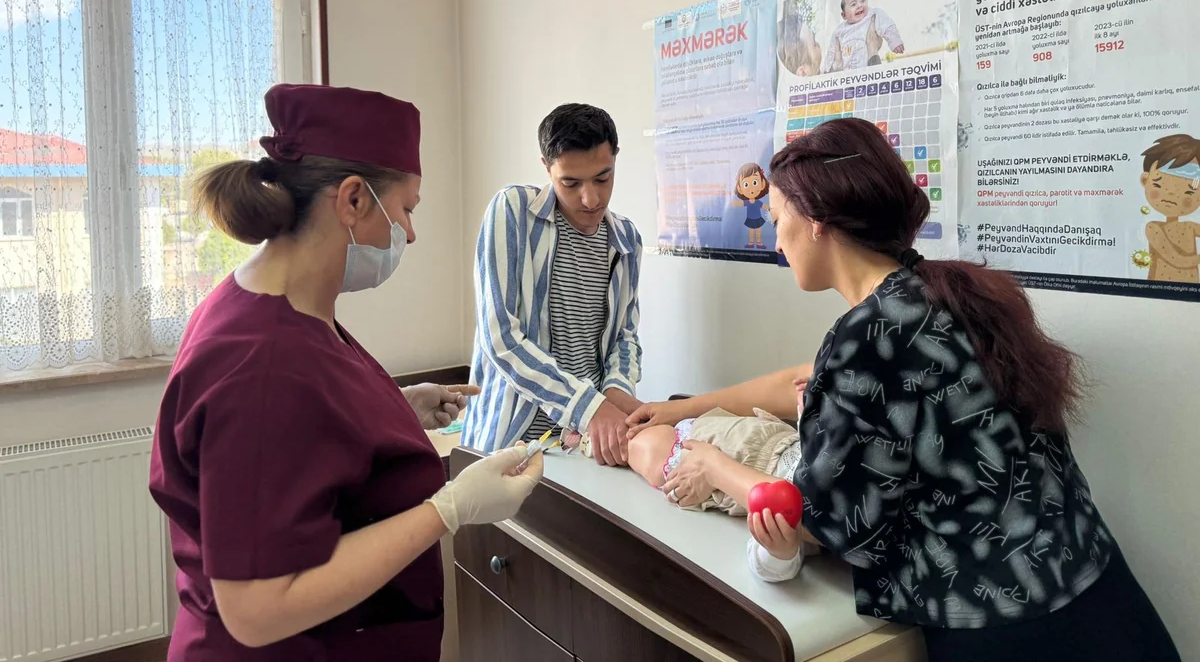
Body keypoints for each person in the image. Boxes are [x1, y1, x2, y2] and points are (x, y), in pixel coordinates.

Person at [627, 117, 1180, 662]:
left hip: (1009, 621)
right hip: (1099, 586)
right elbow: (805, 376)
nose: (777, 243)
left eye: (776, 220)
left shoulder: (868, 335)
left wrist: (715, 466)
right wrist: (687, 406)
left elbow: (831, 522)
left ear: (815, 220)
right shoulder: (951, 294)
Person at [149, 84, 543, 661]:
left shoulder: (274, 305)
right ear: (354, 199)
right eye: (406, 209)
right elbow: (258, 610)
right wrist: (450, 508)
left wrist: (392, 411)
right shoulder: (259, 366)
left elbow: (302, 436)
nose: (410, 234)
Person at [461, 103, 643, 466]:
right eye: (570, 183)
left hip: (583, 440)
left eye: (603, 178)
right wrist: (589, 407)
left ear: (615, 158)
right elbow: (501, 338)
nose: (590, 199)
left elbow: (625, 335)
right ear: (547, 167)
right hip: (512, 438)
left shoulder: (625, 238)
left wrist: (617, 391)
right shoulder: (514, 211)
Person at [563, 375, 819, 583]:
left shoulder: (815, 520)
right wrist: (809, 415)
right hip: (755, 431)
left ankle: (591, 437)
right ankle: (611, 412)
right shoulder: (835, 458)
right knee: (648, 423)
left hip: (710, 461)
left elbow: (770, 564)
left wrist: (781, 553)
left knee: (643, 445)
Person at [1139, 133, 1200, 283]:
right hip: (1160, 287)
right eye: (1159, 185)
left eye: (1188, 192)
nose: (1172, 194)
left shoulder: (1190, 227)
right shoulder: (1153, 228)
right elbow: (1176, 259)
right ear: (1145, 180)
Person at [821, 0, 904, 72]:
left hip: (868, 67)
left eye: (862, 1)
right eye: (853, 4)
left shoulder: (873, 14)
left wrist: (895, 41)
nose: (859, 6)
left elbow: (887, 26)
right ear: (844, 15)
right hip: (848, 72)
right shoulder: (839, 31)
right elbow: (831, 51)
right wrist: (826, 69)